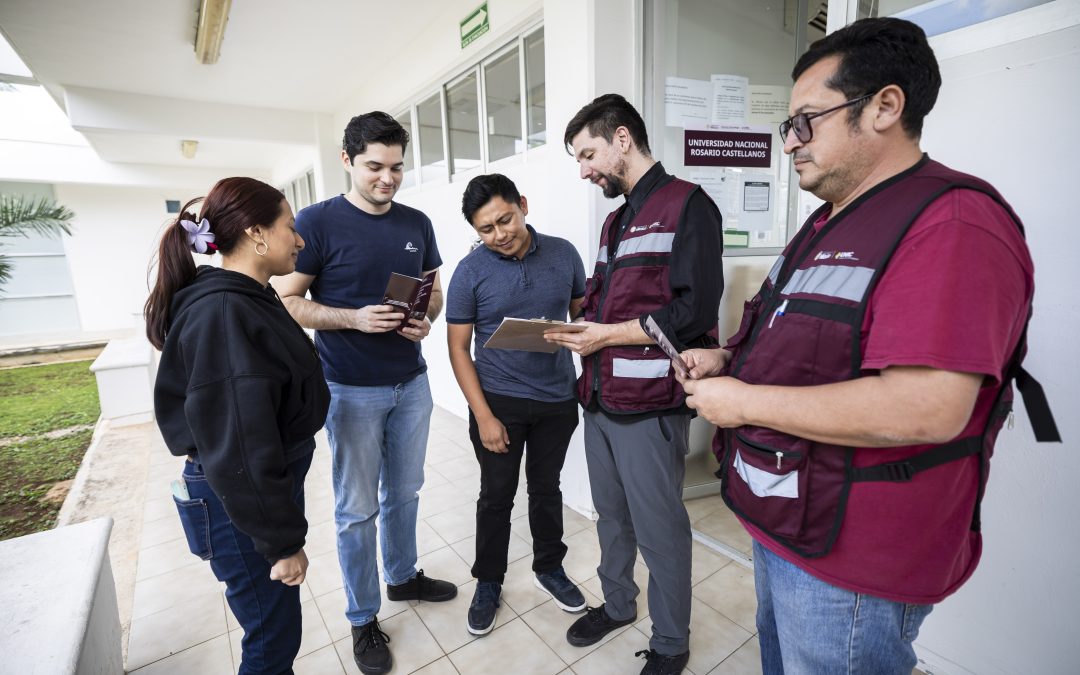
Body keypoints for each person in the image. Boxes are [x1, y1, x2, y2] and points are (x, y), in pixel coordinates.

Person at [677, 18, 1057, 675]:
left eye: (806, 122)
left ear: (885, 106)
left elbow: (925, 408)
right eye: (786, 127)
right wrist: (727, 361)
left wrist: (739, 401)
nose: (790, 143)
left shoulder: (953, 224)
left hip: (853, 559)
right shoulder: (824, 225)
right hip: (785, 521)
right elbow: (799, 344)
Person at [546, 94, 724, 675]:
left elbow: (693, 312)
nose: (584, 169)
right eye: (578, 159)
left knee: (660, 529)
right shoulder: (614, 220)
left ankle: (671, 643)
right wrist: (574, 326)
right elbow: (604, 299)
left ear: (623, 139)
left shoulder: (689, 206)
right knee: (611, 517)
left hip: (650, 406)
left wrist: (607, 335)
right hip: (598, 399)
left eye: (589, 153)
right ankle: (620, 605)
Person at [276, 111, 455, 675]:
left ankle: (402, 577)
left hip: (412, 385)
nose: (387, 178)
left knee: (404, 493)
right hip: (350, 390)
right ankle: (362, 617)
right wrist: (353, 319)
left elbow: (435, 295)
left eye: (397, 167)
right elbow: (287, 302)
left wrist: (425, 318)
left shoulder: (417, 222)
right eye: (375, 167)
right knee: (356, 510)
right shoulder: (317, 221)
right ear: (348, 160)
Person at [147, 176, 330, 674]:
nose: (300, 239)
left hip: (249, 494)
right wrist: (282, 544)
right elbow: (241, 447)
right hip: (239, 502)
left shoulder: (248, 295)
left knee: (274, 630)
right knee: (271, 639)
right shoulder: (225, 312)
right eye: (290, 227)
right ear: (256, 234)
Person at [446, 173, 589, 636]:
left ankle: (549, 568)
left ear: (522, 205)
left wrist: (576, 337)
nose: (498, 235)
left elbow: (583, 316)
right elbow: (457, 349)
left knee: (547, 489)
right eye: (485, 229)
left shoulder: (564, 253)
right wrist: (484, 415)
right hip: (499, 404)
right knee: (496, 497)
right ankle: (489, 581)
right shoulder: (470, 271)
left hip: (556, 400)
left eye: (504, 220)